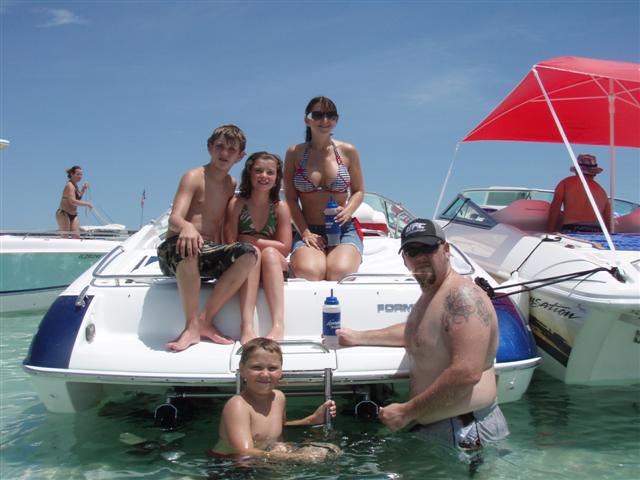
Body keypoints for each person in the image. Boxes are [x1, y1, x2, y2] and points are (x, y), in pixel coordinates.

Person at [337, 219, 509, 452]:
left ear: (446, 250)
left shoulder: (463, 296)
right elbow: (419, 333)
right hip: (441, 427)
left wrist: (407, 412)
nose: (420, 257)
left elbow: (467, 373)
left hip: (467, 433)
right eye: (412, 251)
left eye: (428, 248)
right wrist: (360, 337)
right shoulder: (433, 295)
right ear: (404, 258)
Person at [157, 124, 257, 352]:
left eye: (231, 150)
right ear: (210, 147)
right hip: (176, 249)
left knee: (249, 254)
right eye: (220, 146)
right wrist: (187, 227)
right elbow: (174, 218)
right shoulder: (193, 177)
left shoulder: (231, 184)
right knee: (190, 247)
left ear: (240, 156)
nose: (224, 153)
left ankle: (205, 320)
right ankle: (190, 326)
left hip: (208, 249)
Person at [210, 337, 338, 461]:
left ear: (281, 371)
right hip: (230, 465)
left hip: (263, 459)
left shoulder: (279, 398)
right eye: (257, 367)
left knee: (330, 450)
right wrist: (295, 457)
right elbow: (244, 451)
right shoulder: (238, 406)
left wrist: (312, 419)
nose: (265, 374)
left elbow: (276, 428)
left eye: (272, 368)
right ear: (242, 370)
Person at [283, 96, 365, 281]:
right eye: (318, 115)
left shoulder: (348, 151)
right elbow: (291, 199)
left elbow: (359, 191)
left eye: (330, 115)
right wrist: (305, 232)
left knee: (339, 272)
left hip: (343, 229)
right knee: (310, 272)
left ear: (336, 120)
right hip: (309, 229)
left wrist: (348, 210)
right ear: (307, 120)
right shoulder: (294, 153)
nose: (325, 120)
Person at [224, 152, 292, 344]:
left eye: (270, 172)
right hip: (248, 261)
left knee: (268, 253)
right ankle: (246, 326)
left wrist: (251, 239)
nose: (264, 176)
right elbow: (231, 242)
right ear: (249, 173)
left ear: (277, 178)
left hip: (273, 262)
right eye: (258, 171)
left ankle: (278, 325)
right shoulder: (237, 203)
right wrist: (251, 244)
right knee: (251, 253)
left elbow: (284, 248)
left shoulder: (280, 207)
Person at [547, 153, 612, 233]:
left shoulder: (566, 183)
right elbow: (608, 221)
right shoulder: (602, 191)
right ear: (594, 173)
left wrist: (549, 231)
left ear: (576, 171)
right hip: (596, 230)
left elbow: (555, 209)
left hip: (573, 228)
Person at [56, 166, 93, 238]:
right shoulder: (69, 185)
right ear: (72, 174)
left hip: (73, 214)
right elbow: (72, 201)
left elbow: (78, 198)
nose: (80, 177)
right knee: (65, 236)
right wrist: (87, 204)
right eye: (78, 174)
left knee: (76, 236)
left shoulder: (75, 186)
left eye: (81, 175)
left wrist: (83, 189)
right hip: (64, 214)